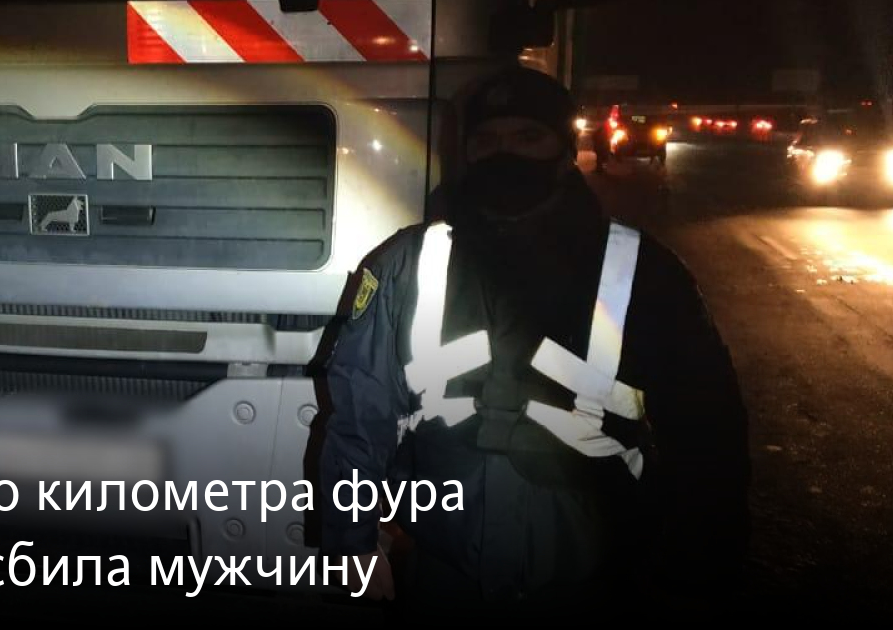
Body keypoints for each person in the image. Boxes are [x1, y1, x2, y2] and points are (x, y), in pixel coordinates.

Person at [316, 65, 750, 621]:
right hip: (443, 580)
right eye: (488, 141)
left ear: (566, 152)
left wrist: (700, 569)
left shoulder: (646, 272)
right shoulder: (406, 263)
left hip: (598, 586)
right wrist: (349, 542)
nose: (507, 155)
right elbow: (361, 413)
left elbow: (708, 433)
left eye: (528, 137)